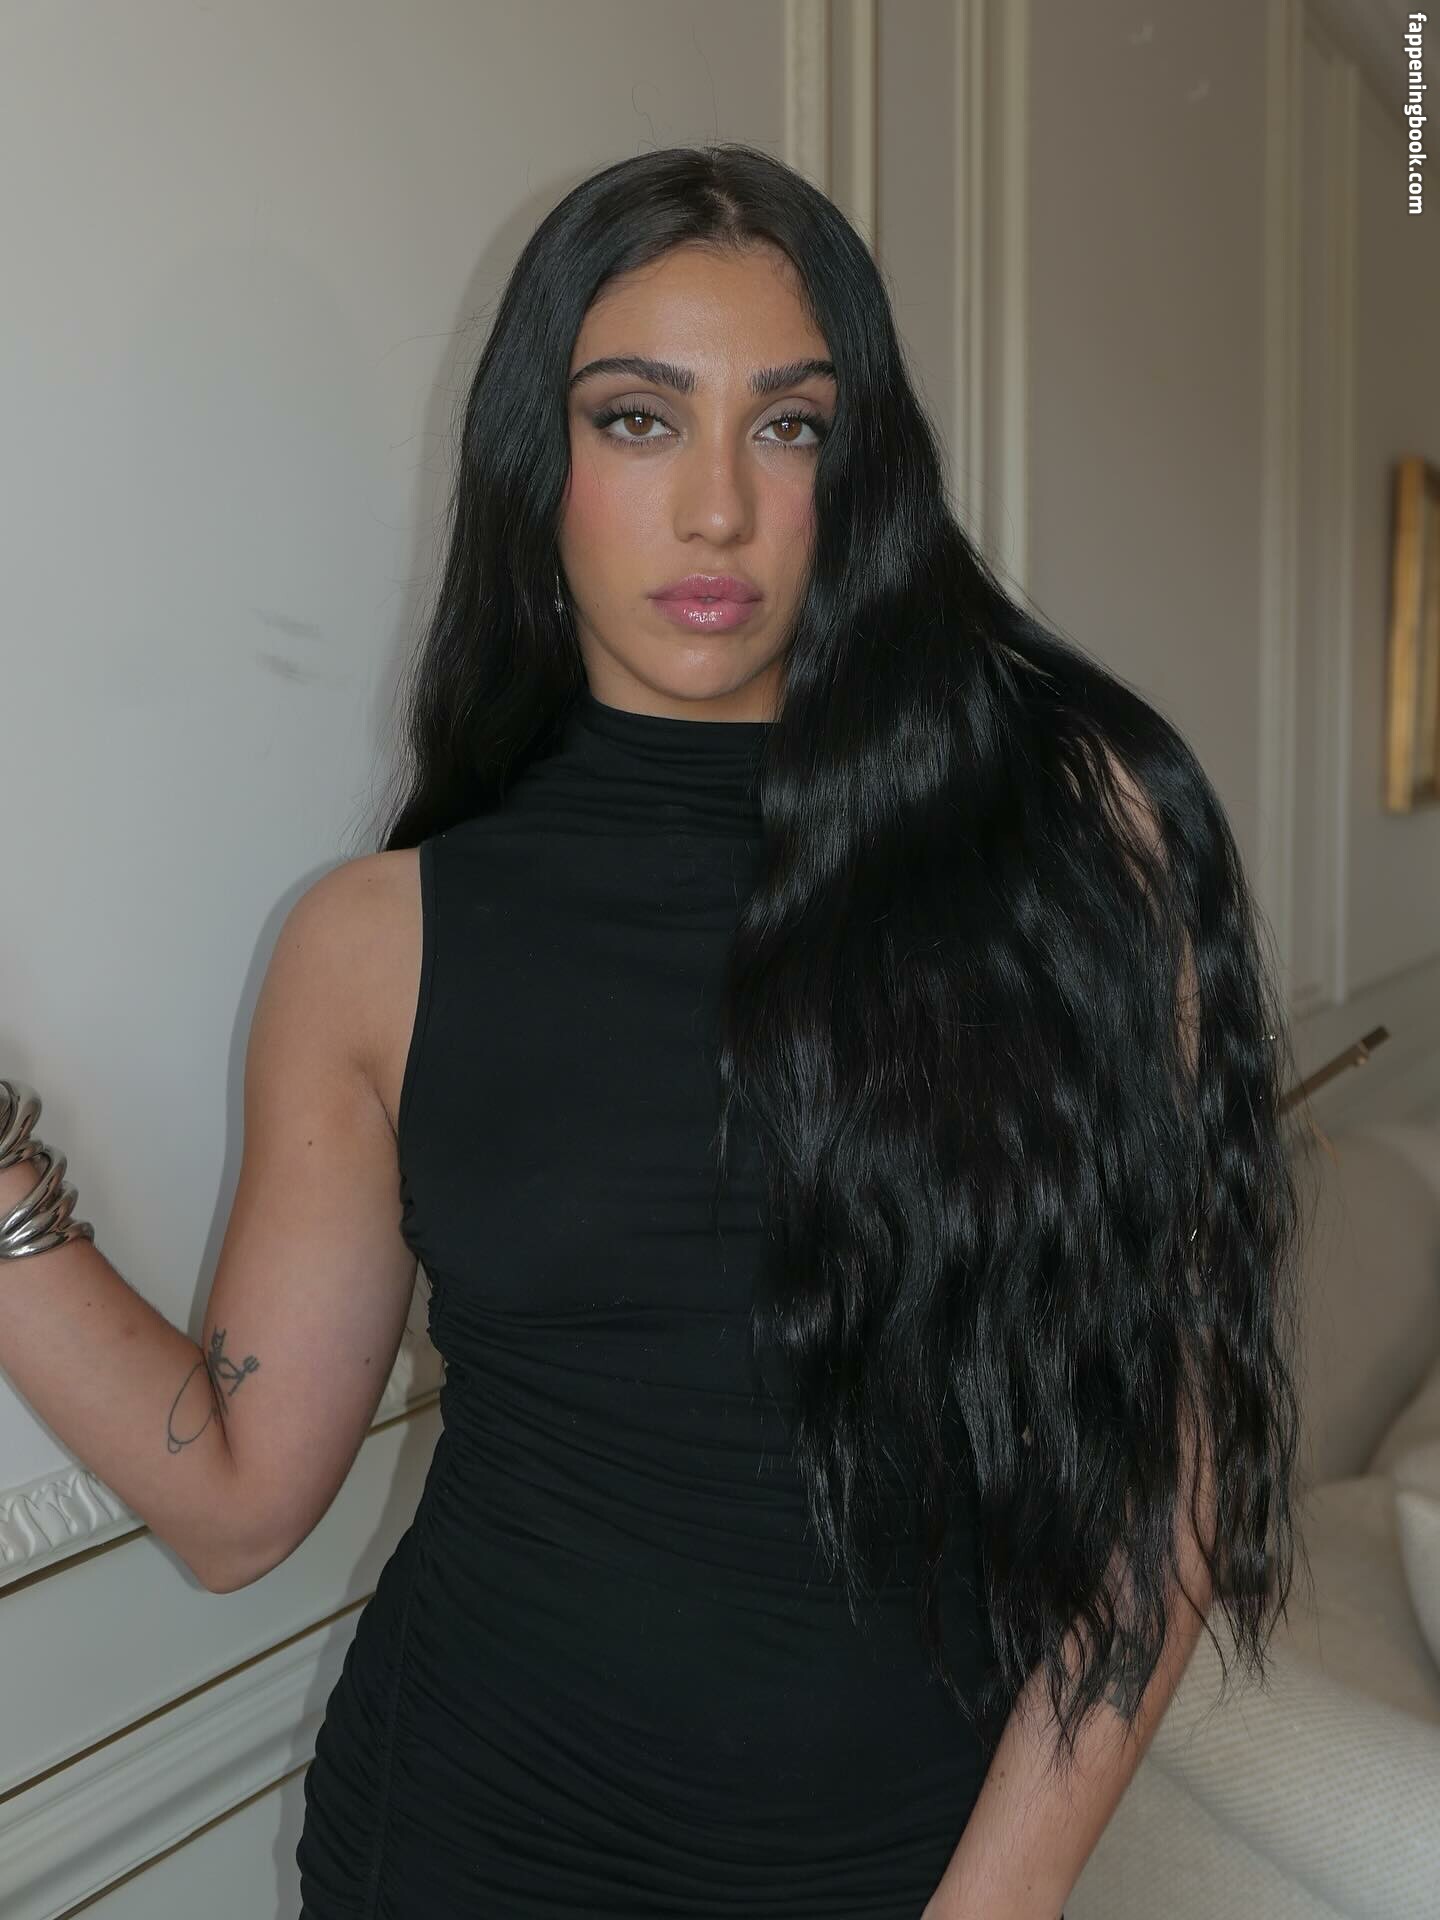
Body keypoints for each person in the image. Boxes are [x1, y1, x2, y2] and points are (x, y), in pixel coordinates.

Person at [0, 142, 1312, 1919]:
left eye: (790, 427)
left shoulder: (1079, 853)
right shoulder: (375, 944)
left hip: (900, 1876)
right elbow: (235, 1505)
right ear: (538, 467)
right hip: (458, 1849)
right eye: (638, 419)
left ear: (865, 471)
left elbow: (1170, 1471)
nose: (718, 509)